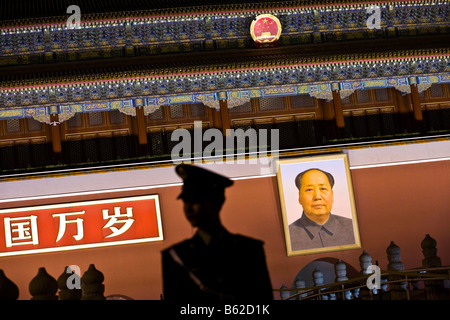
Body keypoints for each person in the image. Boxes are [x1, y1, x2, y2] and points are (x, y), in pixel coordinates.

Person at [161, 164, 273, 301]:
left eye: (195, 200)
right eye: (185, 201)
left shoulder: (250, 250)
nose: (188, 209)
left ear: (217, 201)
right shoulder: (175, 257)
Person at [288, 168, 355, 251]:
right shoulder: (289, 236)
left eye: (323, 189)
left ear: (332, 195)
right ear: (299, 197)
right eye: (309, 190)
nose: (317, 197)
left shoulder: (352, 227)